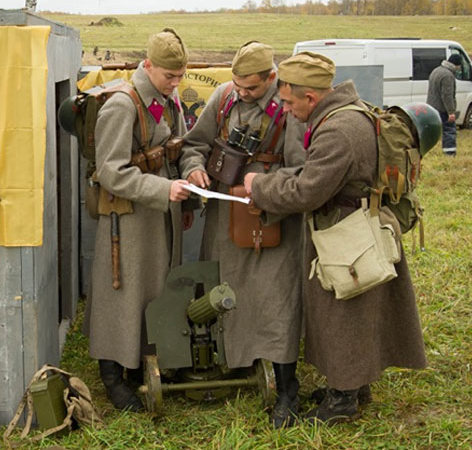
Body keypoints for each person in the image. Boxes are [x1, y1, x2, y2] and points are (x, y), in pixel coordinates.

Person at [243, 52, 427, 424]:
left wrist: (259, 186)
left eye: (290, 102)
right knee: (356, 312)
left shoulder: (337, 131)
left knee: (342, 314)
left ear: (310, 98)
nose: (287, 109)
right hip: (356, 226)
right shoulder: (350, 112)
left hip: (347, 234)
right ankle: (354, 386)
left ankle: (342, 401)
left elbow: (307, 192)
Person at [178, 41, 306, 428]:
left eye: (251, 88)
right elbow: (194, 145)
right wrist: (193, 169)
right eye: (238, 86)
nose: (242, 94)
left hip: (272, 218)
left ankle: (287, 388)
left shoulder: (290, 111)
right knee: (223, 289)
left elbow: (303, 172)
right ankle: (231, 363)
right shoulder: (223, 98)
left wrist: (261, 186)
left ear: (272, 77)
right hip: (223, 215)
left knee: (276, 299)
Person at [85, 28, 191, 412]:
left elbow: (180, 146)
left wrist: (185, 184)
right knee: (123, 294)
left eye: (180, 76)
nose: (176, 83)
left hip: (160, 211)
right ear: (148, 66)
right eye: (169, 76)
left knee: (154, 287)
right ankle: (113, 373)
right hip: (127, 217)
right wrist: (162, 191)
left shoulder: (169, 99)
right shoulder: (122, 106)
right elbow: (110, 172)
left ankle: (141, 362)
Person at [427, 53, 462, 156]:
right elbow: (447, 95)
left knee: (431, 132)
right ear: (456, 65)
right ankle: (449, 152)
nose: (459, 68)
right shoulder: (448, 75)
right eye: (459, 66)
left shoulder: (436, 70)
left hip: (432, 107)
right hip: (442, 109)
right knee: (449, 131)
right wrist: (451, 112)